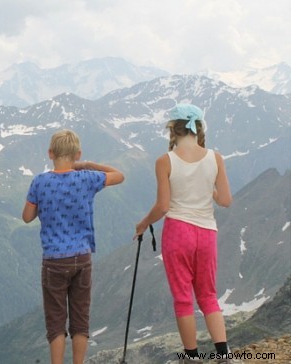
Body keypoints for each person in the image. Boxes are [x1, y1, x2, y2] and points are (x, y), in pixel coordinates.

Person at [134, 104, 234, 364]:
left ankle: (191, 358)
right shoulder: (216, 157)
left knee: (182, 298)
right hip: (207, 233)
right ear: (199, 128)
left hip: (178, 232)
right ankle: (224, 355)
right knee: (208, 296)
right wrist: (205, 190)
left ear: (172, 128)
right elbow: (225, 200)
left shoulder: (165, 161)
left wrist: (144, 223)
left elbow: (163, 206)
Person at [22, 129, 124, 364]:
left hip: (54, 260)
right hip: (82, 256)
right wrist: (87, 164)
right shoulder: (87, 178)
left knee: (56, 319)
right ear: (77, 154)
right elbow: (119, 175)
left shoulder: (40, 181)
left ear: (50, 153)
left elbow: (27, 216)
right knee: (80, 317)